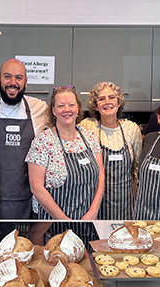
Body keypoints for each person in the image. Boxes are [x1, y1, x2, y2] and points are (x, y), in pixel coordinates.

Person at [0, 59, 47, 243]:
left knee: (24, 250)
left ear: (25, 82)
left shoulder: (41, 109)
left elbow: (65, 126)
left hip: (28, 198)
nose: (13, 82)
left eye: (18, 78)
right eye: (7, 77)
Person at [26, 86, 105, 246]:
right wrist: (65, 220)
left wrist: (93, 211)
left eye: (71, 105)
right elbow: (36, 187)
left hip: (87, 223)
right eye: (61, 106)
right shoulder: (42, 142)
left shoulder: (89, 136)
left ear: (78, 109)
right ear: (53, 111)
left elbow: (101, 175)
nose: (66, 110)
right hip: (54, 227)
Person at [80, 81, 142, 220]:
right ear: (95, 106)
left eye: (112, 97)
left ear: (119, 102)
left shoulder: (131, 129)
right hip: (97, 201)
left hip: (127, 202)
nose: (107, 102)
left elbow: (137, 170)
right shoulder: (87, 126)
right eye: (101, 99)